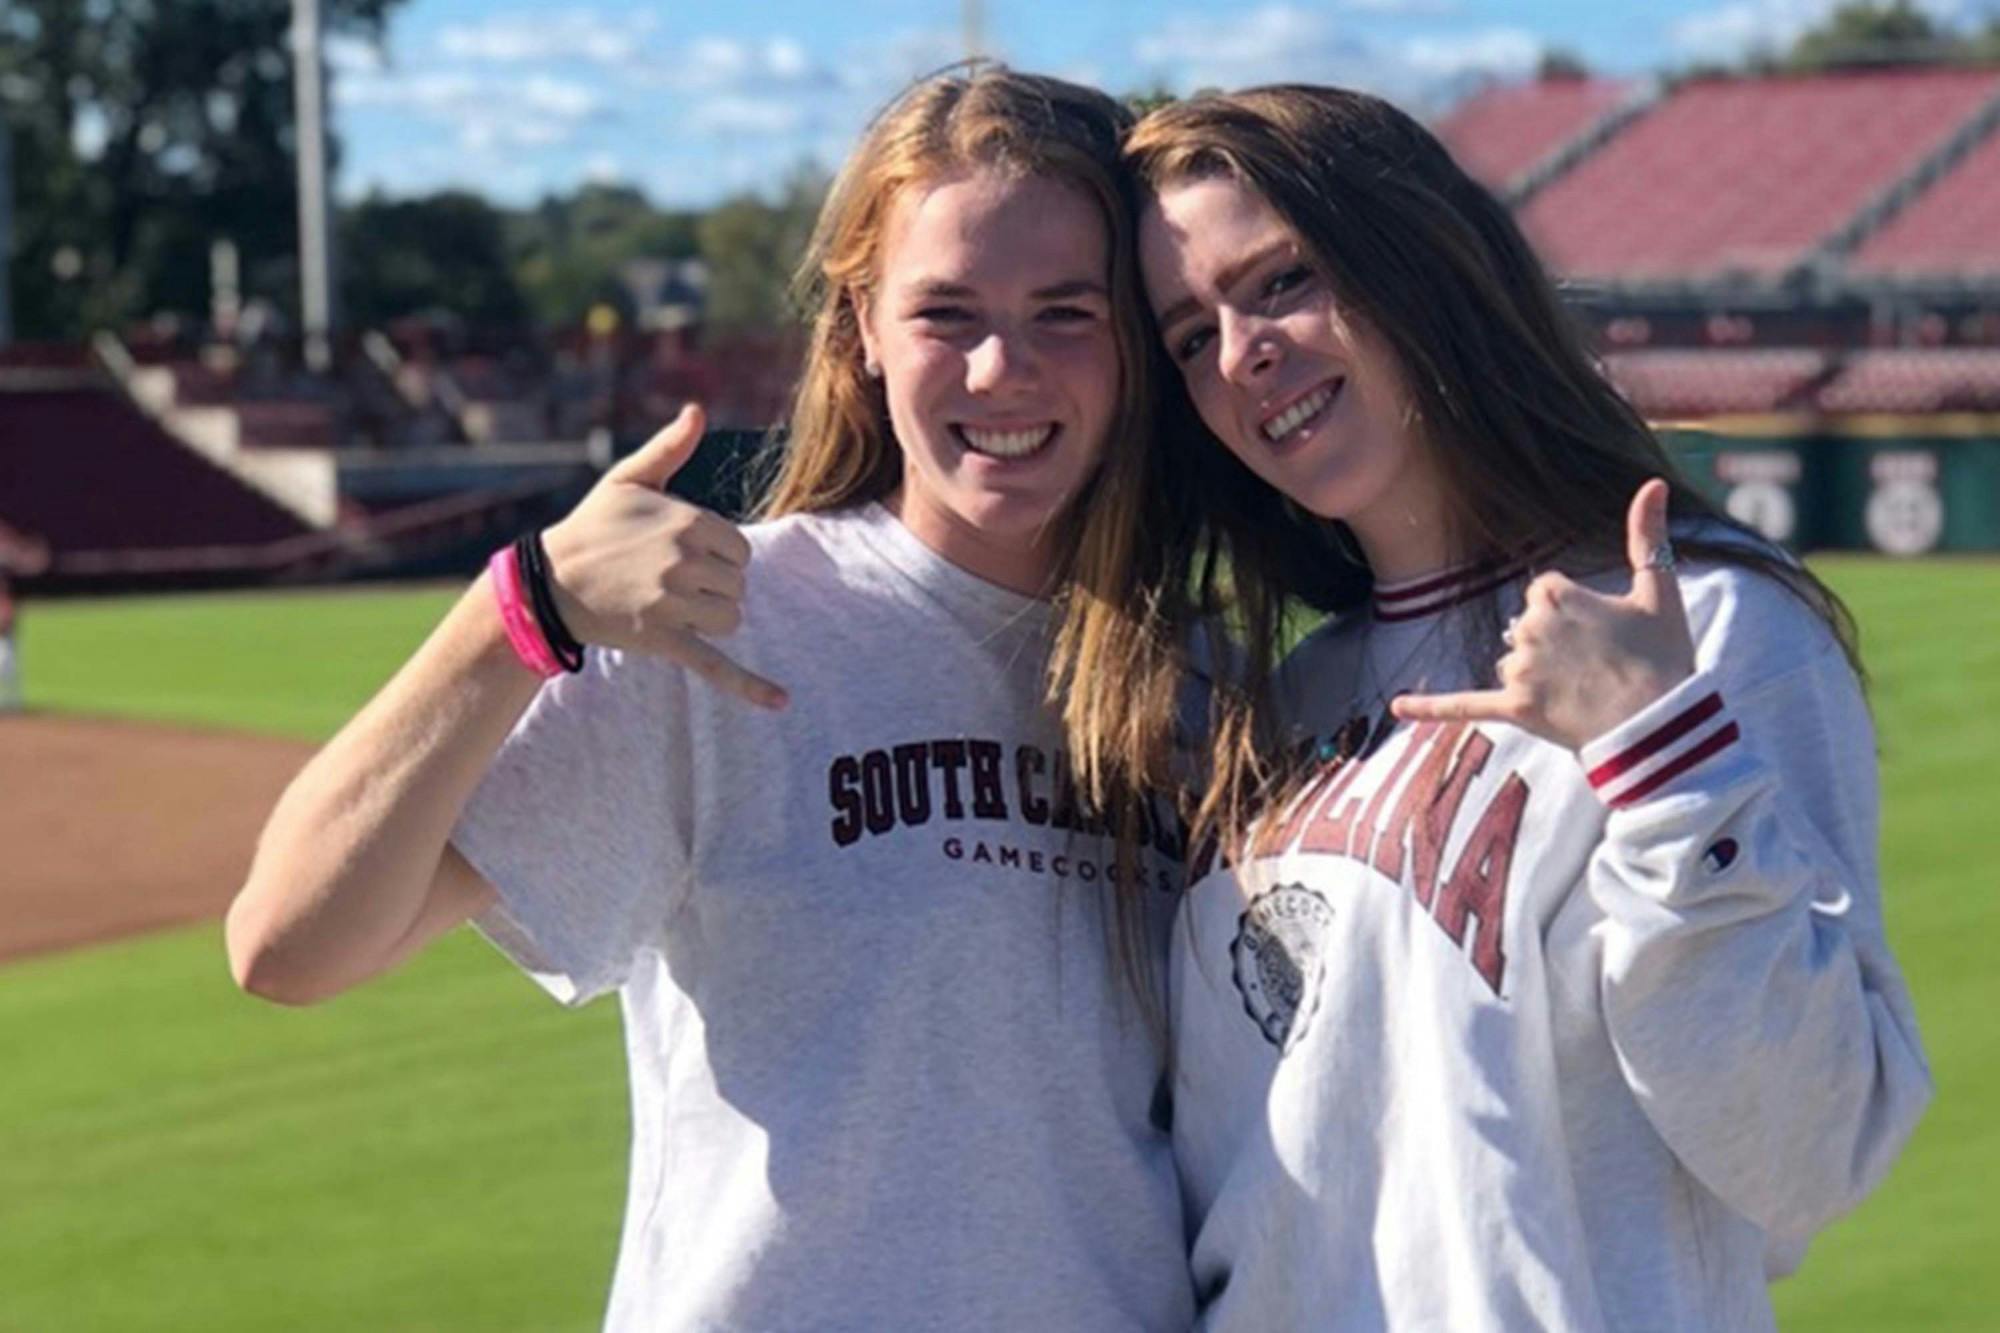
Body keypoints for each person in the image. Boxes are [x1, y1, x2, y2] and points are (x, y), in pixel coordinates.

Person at [226, 67, 1192, 1332]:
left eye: (1065, 311)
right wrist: (519, 609)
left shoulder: (1208, 684)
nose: (1002, 367)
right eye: (944, 312)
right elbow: (292, 945)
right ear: (859, 324)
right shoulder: (723, 629)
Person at [1058, 85, 1932, 1331]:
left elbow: (1809, 1152)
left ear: (1415, 263)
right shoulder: (1280, 702)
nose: (1242, 350)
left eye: (1281, 280)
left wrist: (1659, 755)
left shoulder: (1706, 630)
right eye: (1190, 334)